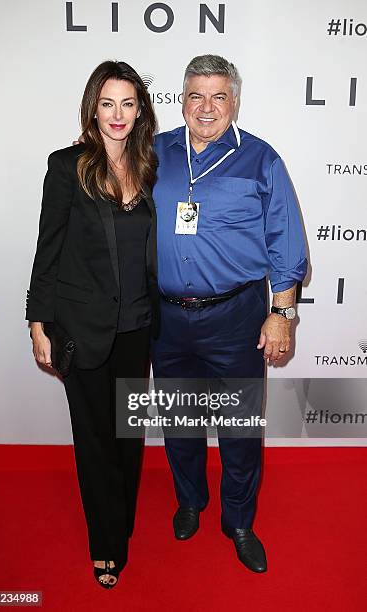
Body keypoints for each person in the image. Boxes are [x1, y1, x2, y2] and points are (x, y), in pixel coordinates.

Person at [151, 55, 308, 573]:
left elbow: (285, 238)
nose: (207, 106)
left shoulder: (261, 159)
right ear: (181, 99)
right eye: (196, 95)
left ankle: (238, 520)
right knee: (180, 419)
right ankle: (190, 501)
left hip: (236, 315)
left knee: (239, 426)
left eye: (219, 95)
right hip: (166, 317)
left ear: (234, 101)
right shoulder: (154, 153)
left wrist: (281, 312)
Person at [26, 60, 159, 588]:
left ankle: (119, 520)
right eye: (108, 103)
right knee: (95, 440)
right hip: (81, 329)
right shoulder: (67, 167)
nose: (118, 114)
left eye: (128, 103)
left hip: (136, 329)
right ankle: (105, 544)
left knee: (129, 436)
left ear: (140, 110)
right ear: (92, 109)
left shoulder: (151, 168)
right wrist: (39, 323)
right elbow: (48, 251)